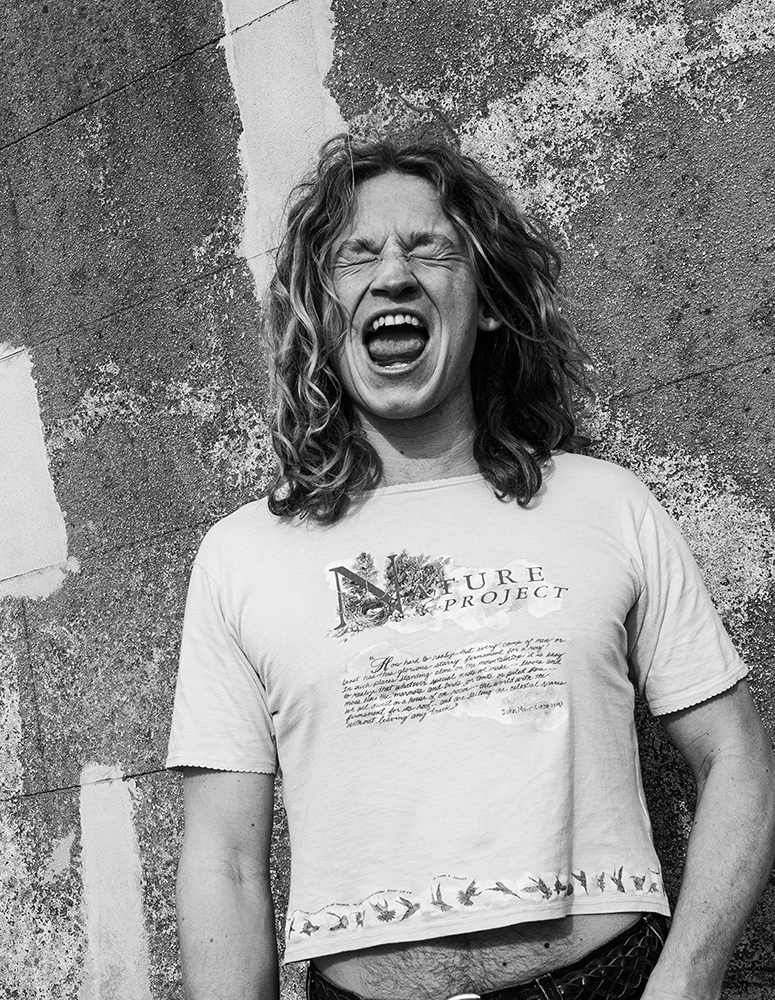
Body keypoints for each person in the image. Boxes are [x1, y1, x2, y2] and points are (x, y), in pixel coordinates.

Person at [167, 134, 775, 1000]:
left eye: (428, 248)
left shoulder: (606, 504)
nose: (393, 274)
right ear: (321, 309)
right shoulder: (241, 555)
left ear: (484, 300)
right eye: (356, 255)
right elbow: (224, 858)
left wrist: (688, 978)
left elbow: (734, 756)